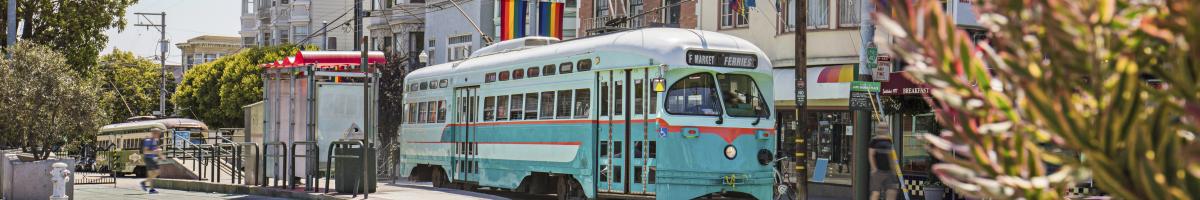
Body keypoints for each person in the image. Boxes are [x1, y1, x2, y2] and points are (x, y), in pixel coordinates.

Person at [868, 122, 899, 200]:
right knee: (876, 193)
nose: (883, 129)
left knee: (892, 192)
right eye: (881, 127)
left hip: (889, 171)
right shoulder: (874, 141)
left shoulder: (889, 140)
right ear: (878, 129)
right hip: (878, 171)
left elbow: (891, 155)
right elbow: (871, 155)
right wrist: (874, 168)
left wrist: (893, 169)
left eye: (884, 127)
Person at [140, 128, 164, 194]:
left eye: (159, 134)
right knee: (154, 173)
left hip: (153, 158)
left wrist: (160, 155)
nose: (159, 135)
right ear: (154, 133)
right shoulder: (148, 141)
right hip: (148, 158)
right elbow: (145, 151)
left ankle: (146, 184)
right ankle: (151, 188)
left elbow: (157, 150)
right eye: (158, 133)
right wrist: (155, 152)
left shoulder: (155, 140)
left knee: (155, 173)